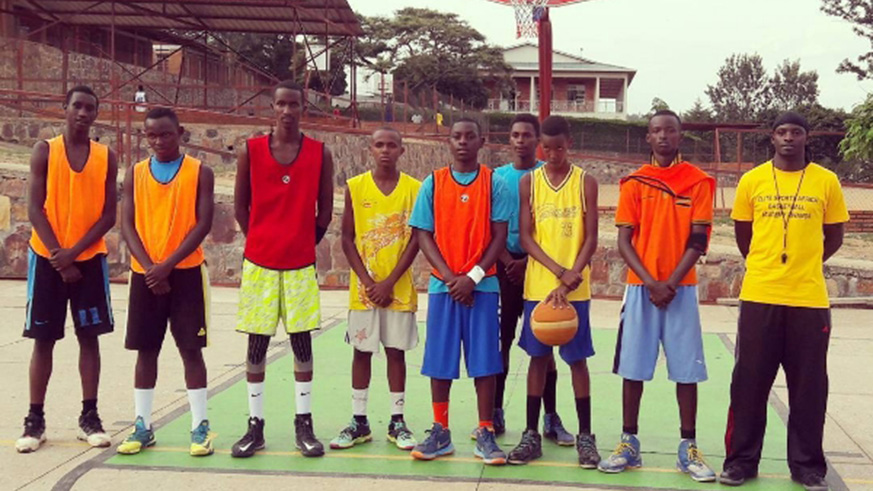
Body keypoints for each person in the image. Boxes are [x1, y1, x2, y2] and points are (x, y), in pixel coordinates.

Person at [720, 112, 848, 491]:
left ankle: (808, 467)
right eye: (781, 132)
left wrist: (806, 263)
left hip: (808, 299)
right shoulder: (752, 181)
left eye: (796, 132)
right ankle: (741, 462)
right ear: (772, 138)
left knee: (809, 387)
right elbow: (745, 237)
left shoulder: (826, 182)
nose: (788, 138)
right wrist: (767, 265)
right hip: (760, 295)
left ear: (807, 138)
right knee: (749, 383)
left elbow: (835, 236)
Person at [599, 110, 717, 483]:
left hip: (681, 289)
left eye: (670, 130)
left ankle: (688, 448)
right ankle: (628, 443)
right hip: (641, 288)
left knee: (686, 369)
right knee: (632, 367)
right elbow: (623, 240)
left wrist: (670, 282)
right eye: (655, 131)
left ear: (681, 136)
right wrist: (651, 282)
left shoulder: (697, 182)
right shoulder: (634, 182)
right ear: (647, 138)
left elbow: (698, 241)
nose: (663, 136)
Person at [230, 80, 334, 458]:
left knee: (301, 342)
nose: (287, 110)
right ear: (271, 108)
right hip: (260, 263)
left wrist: (305, 241)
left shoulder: (320, 153)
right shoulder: (252, 150)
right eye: (281, 104)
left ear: (303, 108)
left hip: (300, 264)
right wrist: (259, 239)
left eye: (294, 104)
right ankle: (255, 426)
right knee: (256, 344)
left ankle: (303, 423)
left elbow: (325, 209)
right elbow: (241, 206)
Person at [17, 86, 117, 454]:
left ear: (96, 114)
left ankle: (89, 416)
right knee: (43, 340)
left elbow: (108, 215)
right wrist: (60, 256)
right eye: (77, 105)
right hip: (47, 258)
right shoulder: (45, 150)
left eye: (90, 108)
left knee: (88, 338)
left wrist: (74, 254)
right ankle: (35, 419)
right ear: (64, 108)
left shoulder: (107, 156)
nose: (83, 113)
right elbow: (34, 209)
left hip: (88, 261)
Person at [115, 107, 216, 456]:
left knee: (191, 350)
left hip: (185, 273)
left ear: (181, 132)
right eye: (151, 135)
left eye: (165, 134)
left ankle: (199, 426)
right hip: (145, 274)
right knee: (146, 351)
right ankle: (142, 424)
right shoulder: (135, 173)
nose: (158, 141)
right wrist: (148, 266)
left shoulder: (200, 172)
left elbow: (203, 224)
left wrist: (167, 265)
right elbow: (127, 224)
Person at [409, 118, 510, 465]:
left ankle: (485, 430)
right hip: (444, 286)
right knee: (440, 360)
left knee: (485, 361)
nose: (463, 141)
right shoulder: (433, 183)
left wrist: (474, 276)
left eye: (470, 136)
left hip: (484, 286)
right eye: (457, 136)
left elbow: (499, 236)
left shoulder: (493, 182)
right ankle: (440, 429)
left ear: (481, 141)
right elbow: (423, 234)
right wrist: (452, 277)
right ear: (448, 142)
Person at [506, 115, 601, 467]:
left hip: (575, 288)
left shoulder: (585, 182)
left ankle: (586, 437)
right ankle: (531, 433)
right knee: (538, 359)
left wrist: (572, 274)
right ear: (540, 146)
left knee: (577, 360)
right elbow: (526, 237)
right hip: (540, 288)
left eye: (560, 147)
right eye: (548, 147)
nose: (554, 153)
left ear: (569, 144)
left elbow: (591, 236)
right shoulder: (529, 182)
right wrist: (558, 272)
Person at [330, 128, 421, 451]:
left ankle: (397, 421)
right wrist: (369, 282)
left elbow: (416, 239)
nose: (385, 150)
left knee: (395, 353)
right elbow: (346, 238)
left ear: (402, 149)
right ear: (370, 149)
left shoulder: (414, 188)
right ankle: (359, 420)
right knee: (362, 351)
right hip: (364, 291)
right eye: (379, 145)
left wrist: (390, 281)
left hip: (398, 288)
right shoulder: (356, 186)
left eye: (391, 144)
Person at [488, 113, 573, 444]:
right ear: (509, 140)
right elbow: (488, 228)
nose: (520, 140)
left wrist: (529, 262)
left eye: (526, 135)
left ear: (538, 141)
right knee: (503, 341)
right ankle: (495, 411)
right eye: (515, 135)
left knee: (545, 342)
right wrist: (508, 260)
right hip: (504, 268)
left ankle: (551, 417)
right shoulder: (497, 177)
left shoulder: (548, 176)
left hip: (540, 269)